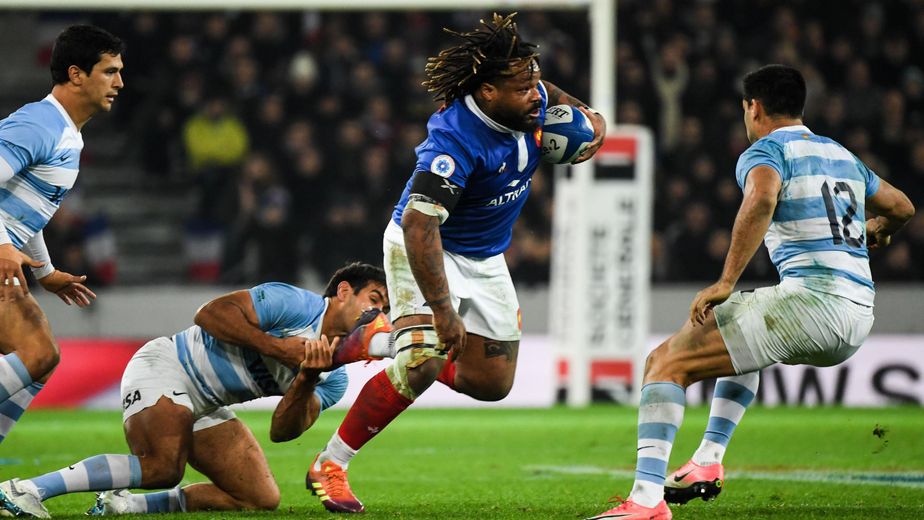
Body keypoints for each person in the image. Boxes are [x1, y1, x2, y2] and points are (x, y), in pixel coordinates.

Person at [306, 13, 606, 513]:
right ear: (488, 93)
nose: (537, 96)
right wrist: (444, 312)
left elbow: (549, 90)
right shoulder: (455, 140)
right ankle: (331, 463)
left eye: (535, 81)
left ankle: (376, 337)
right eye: (523, 87)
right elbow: (419, 226)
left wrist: (591, 118)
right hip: (425, 248)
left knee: (492, 383)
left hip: (486, 257)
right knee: (422, 365)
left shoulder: (527, 98)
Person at [587, 64, 915, 520]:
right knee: (744, 346)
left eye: (745, 109)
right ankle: (706, 460)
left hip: (812, 304)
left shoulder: (766, 150)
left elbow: (761, 198)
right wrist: (879, 227)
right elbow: (902, 206)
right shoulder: (840, 154)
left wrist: (725, 282)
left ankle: (645, 501)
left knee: (665, 363)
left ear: (753, 107)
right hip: (858, 313)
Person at [0, 262, 389, 518]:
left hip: (206, 403)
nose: (377, 314)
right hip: (167, 366)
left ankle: (127, 503)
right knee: (163, 467)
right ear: (342, 292)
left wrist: (305, 379)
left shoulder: (334, 375)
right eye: (373, 299)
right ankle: (24, 489)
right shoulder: (297, 305)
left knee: (259, 499)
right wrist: (277, 347)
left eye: (384, 309)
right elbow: (208, 314)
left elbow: (282, 432)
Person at [0, 25, 124, 446]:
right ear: (76, 74)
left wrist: (47, 271)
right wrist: (2, 245)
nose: (119, 83)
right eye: (109, 72)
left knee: (41, 360)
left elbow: (25, 209)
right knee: (39, 353)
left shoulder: (69, 134)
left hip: (9, 263)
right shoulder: (39, 124)